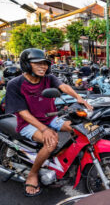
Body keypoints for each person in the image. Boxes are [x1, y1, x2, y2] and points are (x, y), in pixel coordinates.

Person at [5, 48, 93, 197]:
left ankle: (60, 159)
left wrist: (78, 97)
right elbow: (22, 112)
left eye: (45, 63)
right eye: (37, 63)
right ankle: (33, 174)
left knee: (78, 128)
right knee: (51, 140)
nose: (43, 66)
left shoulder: (48, 78)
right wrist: (44, 129)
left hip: (50, 117)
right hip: (28, 124)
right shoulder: (15, 84)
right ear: (26, 64)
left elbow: (63, 87)